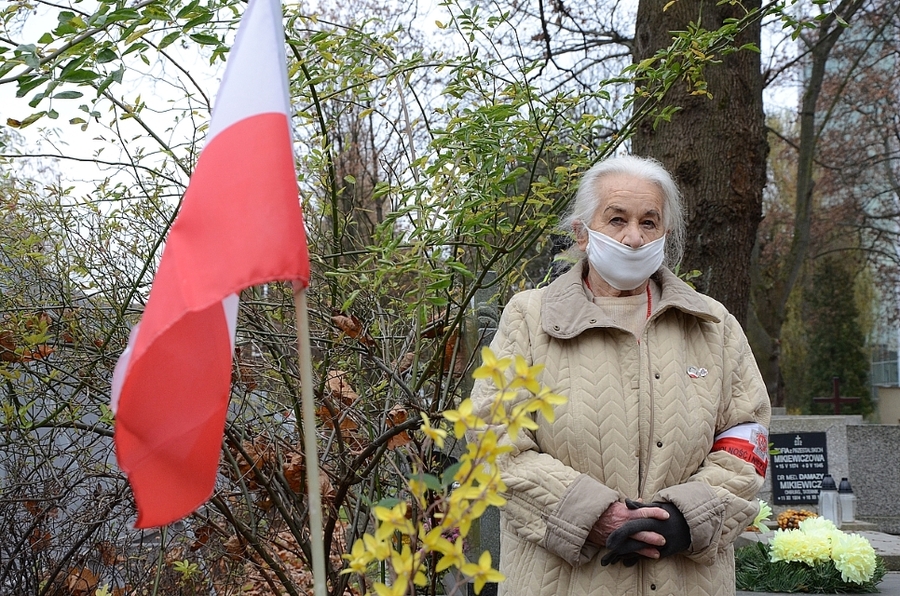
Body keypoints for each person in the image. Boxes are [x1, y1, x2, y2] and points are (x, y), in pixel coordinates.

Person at [469, 154, 771, 595]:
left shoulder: (713, 324)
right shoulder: (529, 319)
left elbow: (746, 435)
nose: (633, 237)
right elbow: (492, 438)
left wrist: (689, 517)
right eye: (616, 220)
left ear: (665, 233)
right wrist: (589, 514)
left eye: (649, 222)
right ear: (581, 233)